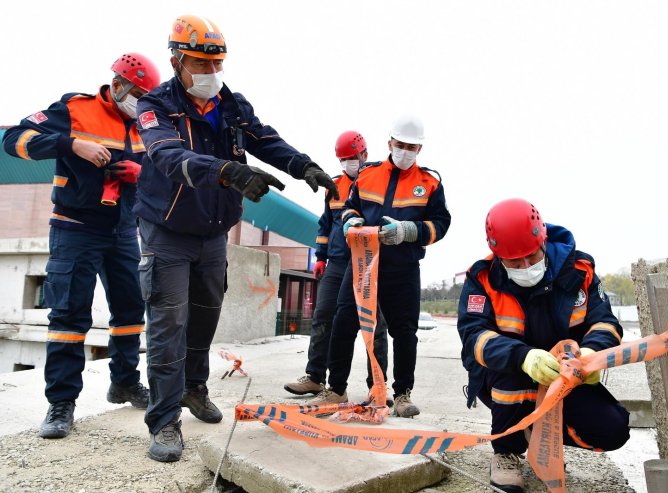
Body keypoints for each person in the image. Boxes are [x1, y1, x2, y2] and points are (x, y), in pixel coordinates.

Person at [135, 15, 339, 463]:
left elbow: (265, 140)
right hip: (166, 231)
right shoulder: (153, 106)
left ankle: (194, 388)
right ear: (176, 60)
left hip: (211, 233)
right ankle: (165, 420)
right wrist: (226, 170)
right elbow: (169, 157)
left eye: (217, 64)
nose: (211, 73)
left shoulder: (231, 103)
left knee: (206, 317)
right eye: (200, 64)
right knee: (169, 323)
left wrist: (304, 166)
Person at [2, 53, 161, 438]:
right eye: (136, 94)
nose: (140, 103)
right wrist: (72, 145)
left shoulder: (147, 123)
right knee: (70, 317)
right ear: (118, 84)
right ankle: (61, 404)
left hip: (123, 230)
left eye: (147, 97)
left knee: (129, 311)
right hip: (76, 228)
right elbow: (14, 140)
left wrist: (142, 173)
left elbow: (163, 170)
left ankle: (123, 382)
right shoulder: (76, 109)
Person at [457, 198, 630, 492]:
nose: (526, 267)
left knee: (612, 430)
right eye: (515, 262)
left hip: (566, 376)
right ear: (497, 255)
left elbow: (605, 322)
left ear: (543, 241)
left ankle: (538, 437)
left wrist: (591, 355)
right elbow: (474, 335)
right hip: (510, 375)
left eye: (532, 257)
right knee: (513, 383)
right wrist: (523, 357)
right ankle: (506, 450)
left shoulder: (579, 271)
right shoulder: (482, 278)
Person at [311, 116, 451, 417]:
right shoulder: (367, 175)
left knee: (404, 331)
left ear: (420, 148)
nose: (405, 151)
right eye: (400, 145)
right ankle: (335, 388)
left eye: (411, 147)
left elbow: (442, 223)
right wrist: (352, 220)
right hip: (363, 264)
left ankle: (401, 394)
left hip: (403, 269)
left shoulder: (429, 183)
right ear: (390, 143)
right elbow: (350, 206)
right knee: (343, 322)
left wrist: (410, 231)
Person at [284, 131, 389, 399]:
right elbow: (326, 223)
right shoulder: (334, 185)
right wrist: (320, 257)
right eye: (343, 159)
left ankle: (377, 385)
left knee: (375, 327)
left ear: (364, 154)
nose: (348, 164)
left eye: (352, 158)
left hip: (369, 262)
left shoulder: (378, 181)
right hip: (338, 262)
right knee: (323, 317)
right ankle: (315, 377)